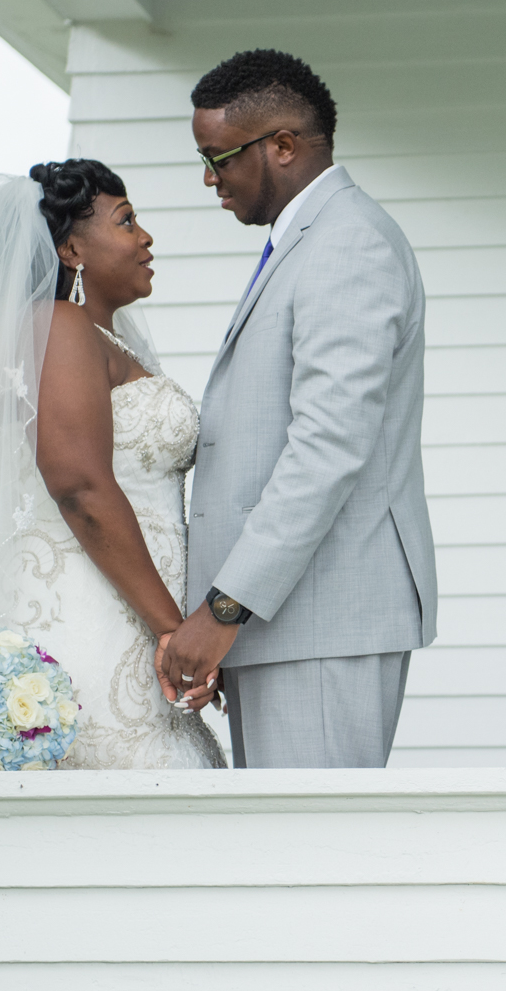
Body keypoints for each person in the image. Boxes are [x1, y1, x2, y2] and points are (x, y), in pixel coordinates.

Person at [157, 49, 437, 768]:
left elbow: (327, 446)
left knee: (316, 863)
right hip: (285, 623)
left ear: (282, 146)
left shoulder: (347, 244)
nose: (210, 180)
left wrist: (225, 608)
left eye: (218, 158)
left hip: (321, 618)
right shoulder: (310, 242)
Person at [0, 162, 225, 770]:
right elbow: (80, 487)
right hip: (96, 611)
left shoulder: (106, 341)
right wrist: (176, 632)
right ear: (70, 249)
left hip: (136, 614)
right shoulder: (60, 326)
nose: (145, 238)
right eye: (127, 221)